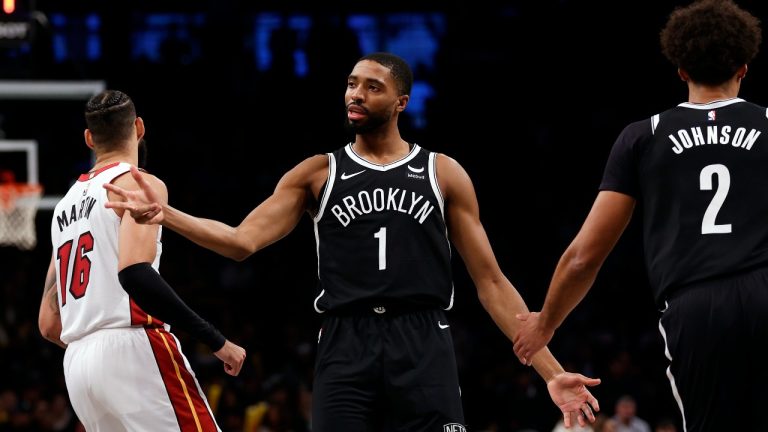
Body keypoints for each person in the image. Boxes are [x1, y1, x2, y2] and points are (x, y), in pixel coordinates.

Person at [105, 52, 601, 431]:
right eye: (350, 84)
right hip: (346, 341)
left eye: (371, 86)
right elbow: (241, 241)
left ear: (401, 102)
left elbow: (491, 282)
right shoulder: (318, 172)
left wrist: (550, 371)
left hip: (423, 338)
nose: (355, 94)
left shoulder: (442, 172)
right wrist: (167, 214)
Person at [512, 1, 766, 430]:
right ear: (744, 67)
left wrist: (546, 322)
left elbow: (584, 255)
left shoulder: (644, 137)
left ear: (681, 70)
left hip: (695, 306)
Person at [37, 89, 247, 431]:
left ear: (89, 138)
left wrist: (94, 343)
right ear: (139, 128)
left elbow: (48, 323)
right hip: (131, 345)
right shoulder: (137, 184)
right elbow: (135, 273)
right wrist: (215, 341)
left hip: (77, 363)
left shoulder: (63, 208)